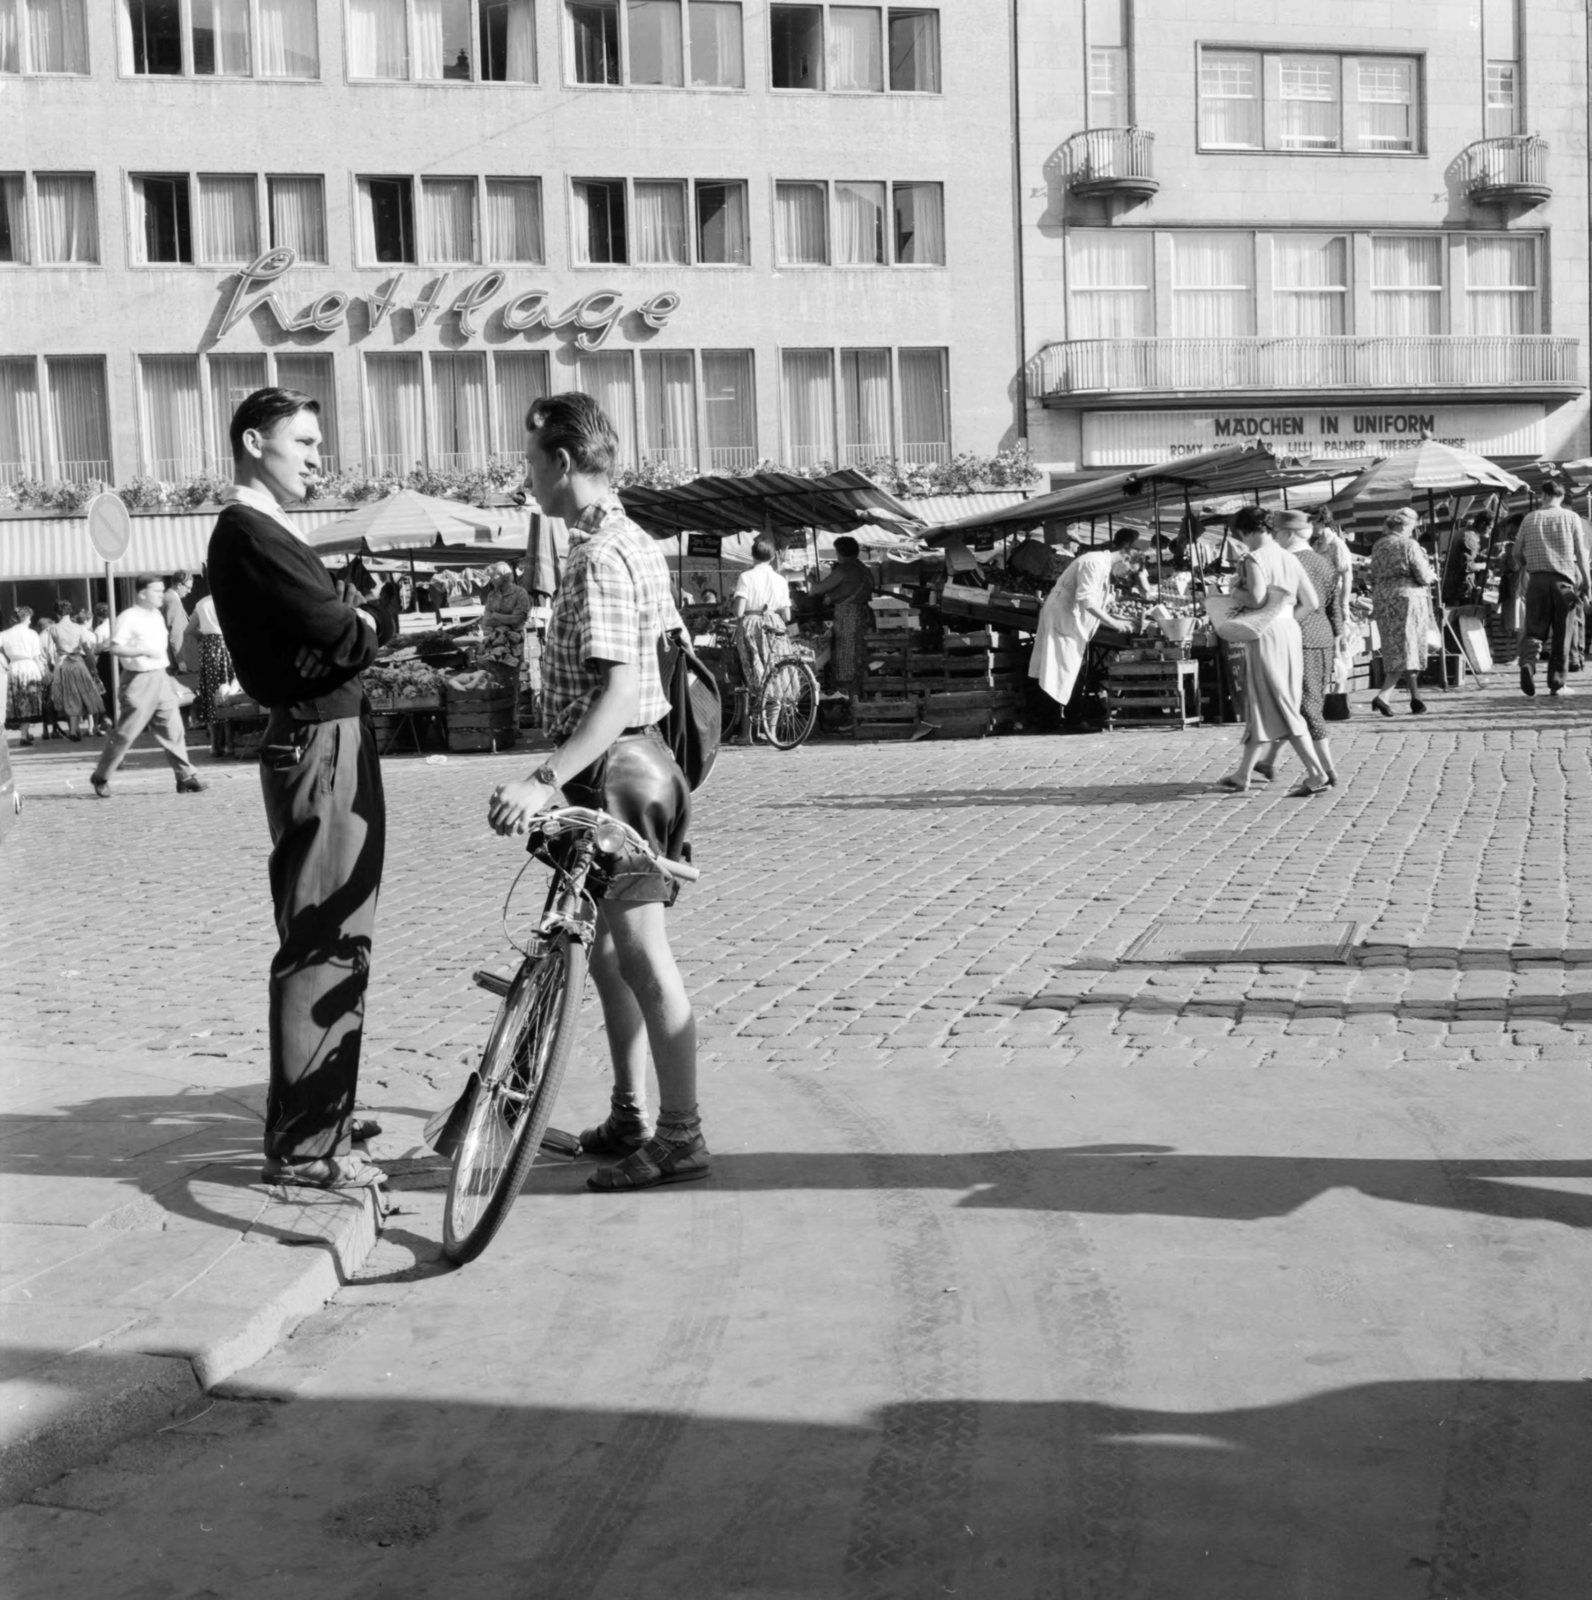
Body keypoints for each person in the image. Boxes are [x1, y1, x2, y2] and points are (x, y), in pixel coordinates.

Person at [486, 391, 706, 1194]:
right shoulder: (625, 539)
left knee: (644, 959)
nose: (528, 476)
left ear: (565, 462)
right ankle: (631, 1111)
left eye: (532, 459)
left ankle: (680, 1133)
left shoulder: (600, 554)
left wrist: (544, 780)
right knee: (611, 955)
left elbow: (617, 693)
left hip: (617, 771)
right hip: (627, 766)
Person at [207, 387, 397, 1193]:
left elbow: (339, 630)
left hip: (325, 732)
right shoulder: (249, 531)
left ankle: (319, 1112)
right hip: (320, 738)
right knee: (325, 936)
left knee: (332, 930)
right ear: (255, 442)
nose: (319, 457)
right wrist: (372, 621)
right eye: (305, 441)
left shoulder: (264, 530)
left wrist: (356, 625)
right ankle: (309, 1145)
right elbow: (344, 633)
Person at [1217, 506, 1330, 797]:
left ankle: (1317, 773)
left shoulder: (1254, 558)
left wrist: (1233, 591)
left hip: (1265, 633)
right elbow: (1312, 602)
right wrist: (1287, 619)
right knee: (1267, 700)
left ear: (1246, 531)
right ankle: (1243, 773)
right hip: (1290, 631)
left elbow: (1255, 599)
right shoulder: (1289, 557)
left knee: (1279, 702)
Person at [89, 576, 205, 797]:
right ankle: (101, 775)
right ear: (142, 593)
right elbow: (115, 648)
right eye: (157, 591)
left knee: (174, 729)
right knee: (126, 733)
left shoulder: (156, 616)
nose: (161, 595)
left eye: (162, 591)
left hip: (160, 678)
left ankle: (185, 777)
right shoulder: (128, 617)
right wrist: (141, 650)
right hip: (138, 679)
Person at [1256, 511, 1344, 787]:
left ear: (1288, 534)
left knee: (1305, 706)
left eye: (1278, 533)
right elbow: (1334, 605)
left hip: (1298, 639)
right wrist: (1339, 637)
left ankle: (1326, 771)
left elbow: (1280, 602)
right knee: (1292, 702)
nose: (1274, 538)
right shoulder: (1324, 561)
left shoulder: (1288, 561)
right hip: (1323, 638)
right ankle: (1268, 761)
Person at [1029, 525, 1141, 714]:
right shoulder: (1094, 562)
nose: (1126, 576)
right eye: (1129, 571)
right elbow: (1086, 599)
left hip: (1070, 618)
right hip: (1063, 616)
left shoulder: (1102, 566)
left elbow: (1096, 599)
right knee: (1059, 667)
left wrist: (1117, 613)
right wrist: (1114, 623)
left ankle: (1056, 717)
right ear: (1126, 558)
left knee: (1066, 667)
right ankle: (1051, 718)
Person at [1513, 478, 1591, 699]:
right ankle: (1557, 683)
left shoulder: (1529, 518)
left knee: (1534, 630)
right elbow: (1582, 554)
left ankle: (1528, 664)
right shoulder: (1571, 517)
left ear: (1544, 495)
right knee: (1562, 634)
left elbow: (1516, 552)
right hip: (1563, 583)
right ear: (1562, 496)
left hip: (1536, 581)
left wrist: (1527, 566)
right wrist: (1587, 582)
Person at [1368, 507, 1436, 716]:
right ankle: (1383, 696)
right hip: (1409, 600)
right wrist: (1432, 573)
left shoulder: (1378, 545)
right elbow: (1423, 576)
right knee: (1407, 649)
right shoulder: (1409, 545)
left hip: (1384, 600)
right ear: (1406, 525)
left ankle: (1416, 699)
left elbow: (1373, 575)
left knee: (1396, 647)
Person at [807, 535, 874, 700]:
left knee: (846, 655)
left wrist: (810, 579)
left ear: (839, 552)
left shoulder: (844, 569)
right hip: (863, 615)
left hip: (848, 618)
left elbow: (818, 590)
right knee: (859, 656)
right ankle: (861, 694)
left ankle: (846, 697)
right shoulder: (865, 569)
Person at [731, 535, 792, 685]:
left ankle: (760, 699)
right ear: (773, 556)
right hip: (775, 624)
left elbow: (739, 612)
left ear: (752, 555)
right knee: (777, 667)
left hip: (752, 625)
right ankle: (775, 702)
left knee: (755, 667)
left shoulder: (746, 577)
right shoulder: (781, 580)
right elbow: (787, 616)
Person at [476, 560, 531, 720]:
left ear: (505, 576)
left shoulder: (520, 594)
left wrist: (496, 616)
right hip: (493, 643)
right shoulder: (492, 595)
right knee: (494, 681)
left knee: (512, 683)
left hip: (513, 645)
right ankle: (498, 720)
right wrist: (502, 619)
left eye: (494, 577)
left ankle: (513, 722)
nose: (492, 580)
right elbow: (486, 621)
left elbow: (518, 619)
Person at [44, 600, 101, 741]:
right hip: (78, 664)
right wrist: (93, 667)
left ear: (57, 613)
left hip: (62, 664)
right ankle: (76, 729)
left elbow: (50, 653)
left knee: (67, 696)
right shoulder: (78, 628)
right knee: (81, 695)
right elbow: (87, 648)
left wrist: (50, 666)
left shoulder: (52, 628)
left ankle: (73, 730)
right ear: (69, 611)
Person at [184, 588, 232, 726]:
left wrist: (204, 637)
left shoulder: (202, 603)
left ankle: (214, 741)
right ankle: (229, 739)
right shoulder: (227, 600)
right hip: (227, 644)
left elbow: (189, 630)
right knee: (228, 686)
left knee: (210, 688)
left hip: (208, 646)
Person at [0, 608, 46, 745]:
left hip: (14, 668)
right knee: (29, 702)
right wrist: (43, 672)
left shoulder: (4, 634)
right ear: (25, 618)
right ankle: (24, 734)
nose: (30, 621)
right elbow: (37, 657)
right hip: (29, 667)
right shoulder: (32, 634)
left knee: (19, 702)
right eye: (29, 618)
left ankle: (25, 733)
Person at [1442, 512, 1491, 610]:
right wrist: (1485, 565)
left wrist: (1489, 558)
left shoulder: (1465, 531)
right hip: (1458, 587)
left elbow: (1468, 554)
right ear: (1483, 524)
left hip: (1452, 584)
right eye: (1490, 527)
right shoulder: (1470, 539)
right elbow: (1467, 566)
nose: (1491, 530)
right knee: (1459, 618)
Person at [162, 571, 193, 674]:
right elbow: (175, 632)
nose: (189, 591)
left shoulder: (166, 597)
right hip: (171, 661)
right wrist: (181, 660)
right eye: (188, 587)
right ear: (179, 585)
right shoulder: (173, 601)